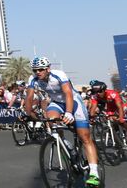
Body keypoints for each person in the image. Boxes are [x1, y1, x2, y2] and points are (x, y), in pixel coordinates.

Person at [24, 56, 100, 187]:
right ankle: (67, 146)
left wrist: (69, 113)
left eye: (40, 69)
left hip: (74, 102)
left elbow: (68, 94)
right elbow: (29, 96)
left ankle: (94, 173)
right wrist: (28, 113)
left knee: (85, 137)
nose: (37, 72)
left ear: (48, 69)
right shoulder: (33, 79)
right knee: (51, 122)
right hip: (57, 103)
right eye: (35, 70)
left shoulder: (59, 74)